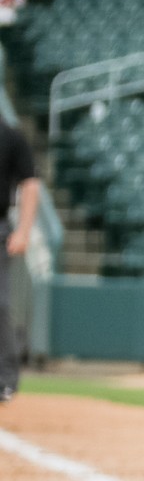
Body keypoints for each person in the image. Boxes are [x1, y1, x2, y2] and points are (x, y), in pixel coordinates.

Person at [0, 115, 38, 403]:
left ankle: (5, 380)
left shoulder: (11, 136)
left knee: (0, 304)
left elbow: (30, 184)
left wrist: (24, 230)